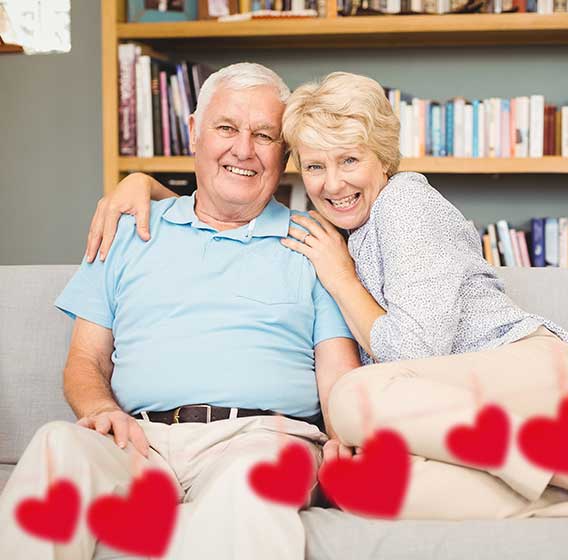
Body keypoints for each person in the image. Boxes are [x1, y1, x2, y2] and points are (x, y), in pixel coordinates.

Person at [86, 71, 568, 528]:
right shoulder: (337, 229)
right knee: (356, 487)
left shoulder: (406, 202)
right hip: (466, 424)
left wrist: (342, 280)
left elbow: (416, 351)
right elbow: (217, 205)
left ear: (382, 159)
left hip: (535, 379)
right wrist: (145, 182)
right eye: (315, 166)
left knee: (351, 401)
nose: (332, 183)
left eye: (350, 160)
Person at [0, 63, 361, 560]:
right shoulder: (126, 229)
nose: (244, 149)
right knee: (54, 447)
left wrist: (344, 441)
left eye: (264, 135)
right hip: (138, 441)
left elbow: (338, 378)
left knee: (256, 482)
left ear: (286, 152)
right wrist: (101, 410)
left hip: (261, 439)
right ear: (193, 131)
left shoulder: (316, 243)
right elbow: (86, 360)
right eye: (227, 128)